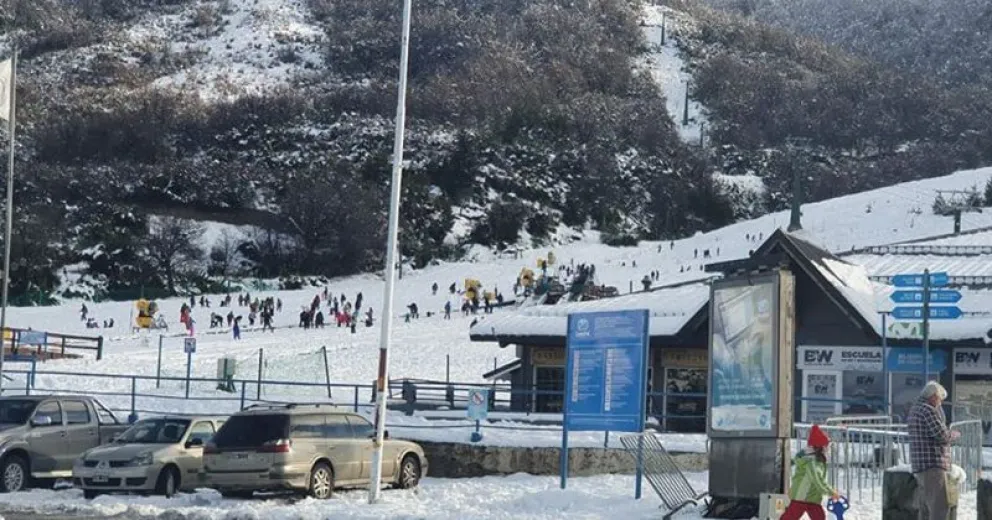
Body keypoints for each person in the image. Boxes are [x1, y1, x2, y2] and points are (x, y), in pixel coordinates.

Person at [908, 381, 959, 520]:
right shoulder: (928, 410)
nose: (940, 403)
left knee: (925, 508)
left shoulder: (915, 409)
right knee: (940, 507)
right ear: (934, 396)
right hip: (933, 464)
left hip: (921, 464)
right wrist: (953, 434)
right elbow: (941, 435)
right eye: (940, 399)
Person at [781, 425, 839, 520]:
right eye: (826, 446)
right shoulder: (813, 462)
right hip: (802, 496)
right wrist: (831, 492)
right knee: (790, 517)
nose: (828, 449)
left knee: (819, 517)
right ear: (820, 448)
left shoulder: (813, 459)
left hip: (811, 497)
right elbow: (818, 480)